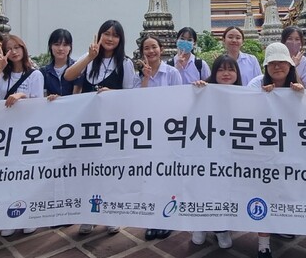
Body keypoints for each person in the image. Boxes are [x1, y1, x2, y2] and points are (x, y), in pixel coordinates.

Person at [64, 20, 136, 235]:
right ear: (99, 35)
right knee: (88, 171)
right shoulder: (88, 60)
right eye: (106, 33)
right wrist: (89, 57)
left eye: (115, 35)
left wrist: (111, 94)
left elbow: (130, 95)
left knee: (110, 170)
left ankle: (110, 214)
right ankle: (89, 214)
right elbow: (67, 76)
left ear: (120, 39)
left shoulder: (125, 63)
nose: (110, 38)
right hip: (89, 125)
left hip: (112, 125)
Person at [246, 42, 304, 258]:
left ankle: (281, 223)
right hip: (262, 150)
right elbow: (244, 113)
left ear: (290, 66)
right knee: (264, 192)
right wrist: (261, 98)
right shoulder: (255, 84)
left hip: (290, 150)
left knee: (285, 190)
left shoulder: (298, 87)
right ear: (266, 67)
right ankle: (263, 242)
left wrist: (301, 95)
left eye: (282, 63)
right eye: (272, 63)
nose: (277, 67)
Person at [0, 35, 44, 237]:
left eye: (18, 47)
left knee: (26, 173)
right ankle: (9, 216)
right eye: (9, 48)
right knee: (7, 174)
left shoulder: (35, 75)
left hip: (27, 132)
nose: (14, 51)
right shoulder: (3, 74)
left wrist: (21, 95)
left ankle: (28, 215)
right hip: (5, 132)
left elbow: (38, 103)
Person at [188, 54, 240, 250]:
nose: (226, 74)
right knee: (203, 187)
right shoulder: (204, 90)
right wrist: (197, 92)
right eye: (221, 69)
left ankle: (222, 227)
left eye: (230, 69)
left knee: (225, 190)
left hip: (231, 152)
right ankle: (200, 224)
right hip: (206, 151)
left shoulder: (246, 94)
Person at [137, 35, 180, 240]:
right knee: (150, 176)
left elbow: (178, 102)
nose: (151, 51)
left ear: (161, 49)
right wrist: (145, 77)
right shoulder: (139, 74)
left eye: (154, 47)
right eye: (147, 48)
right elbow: (138, 101)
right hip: (146, 132)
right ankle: (153, 219)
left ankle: (167, 218)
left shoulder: (171, 73)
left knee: (167, 175)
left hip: (168, 132)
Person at [41, 29, 83, 100]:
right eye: (57, 44)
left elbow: (76, 97)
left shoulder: (77, 68)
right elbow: (42, 97)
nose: (60, 48)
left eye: (65, 45)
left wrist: (61, 100)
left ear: (70, 47)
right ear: (50, 46)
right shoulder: (44, 72)